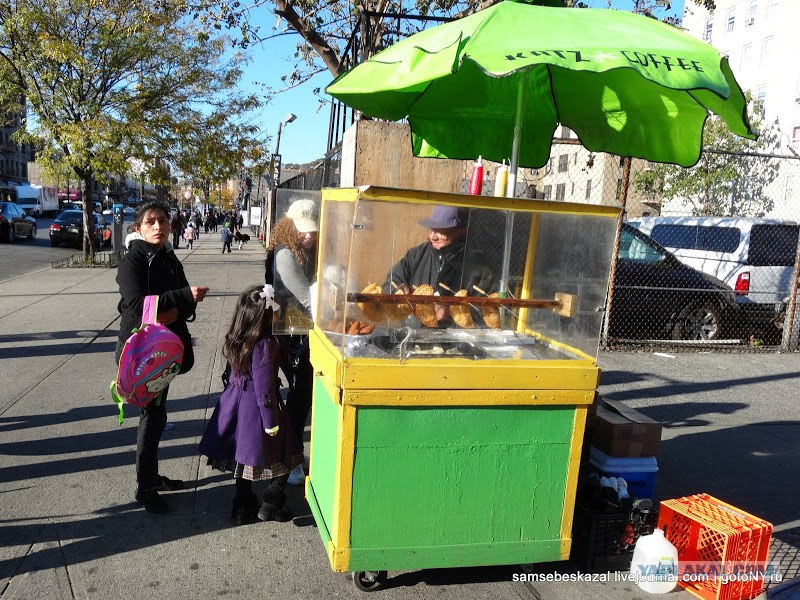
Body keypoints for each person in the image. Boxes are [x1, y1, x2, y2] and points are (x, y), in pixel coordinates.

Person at [116, 200, 209, 514]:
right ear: (139, 228)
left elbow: (186, 300)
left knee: (156, 416)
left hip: (163, 350)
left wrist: (179, 308)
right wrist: (179, 299)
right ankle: (145, 487)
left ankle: (152, 478)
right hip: (142, 355)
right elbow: (133, 304)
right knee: (152, 417)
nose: (158, 226)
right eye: (151, 221)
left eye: (163, 221)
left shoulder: (168, 255)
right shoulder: (133, 260)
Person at [199, 285, 303, 525]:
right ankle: (272, 502)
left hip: (236, 404)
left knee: (242, 455)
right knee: (287, 451)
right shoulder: (265, 344)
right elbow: (264, 387)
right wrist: (270, 421)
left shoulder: (239, 337)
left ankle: (242, 505)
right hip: (259, 409)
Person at [266, 198, 318, 486]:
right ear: (289, 225)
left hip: (298, 331)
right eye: (303, 229)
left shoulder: (304, 250)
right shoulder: (285, 254)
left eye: (313, 229)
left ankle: (290, 455)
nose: (309, 235)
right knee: (298, 397)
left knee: (301, 397)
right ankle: (290, 460)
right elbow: (308, 298)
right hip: (288, 335)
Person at [386, 205, 497, 327]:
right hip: (414, 334)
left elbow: (489, 314)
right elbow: (390, 283)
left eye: (441, 231)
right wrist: (397, 292)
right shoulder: (416, 255)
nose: (433, 236)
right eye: (432, 230)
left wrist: (451, 312)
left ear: (461, 231)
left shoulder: (479, 266)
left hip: (456, 337)